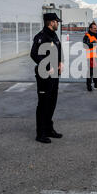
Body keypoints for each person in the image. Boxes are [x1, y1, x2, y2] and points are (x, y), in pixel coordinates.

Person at [31, 13, 64, 144]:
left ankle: (49, 129)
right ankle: (41, 133)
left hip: (54, 75)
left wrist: (61, 62)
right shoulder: (41, 37)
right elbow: (33, 54)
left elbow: (59, 49)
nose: (58, 23)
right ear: (51, 22)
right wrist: (45, 66)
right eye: (57, 21)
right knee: (43, 104)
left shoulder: (54, 35)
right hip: (44, 75)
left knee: (52, 102)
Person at [83, 23, 97, 92]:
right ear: (90, 29)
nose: (96, 29)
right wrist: (94, 42)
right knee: (90, 71)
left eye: (96, 28)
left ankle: (96, 84)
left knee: (96, 71)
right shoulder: (87, 35)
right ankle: (89, 85)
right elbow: (85, 45)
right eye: (94, 28)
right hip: (91, 56)